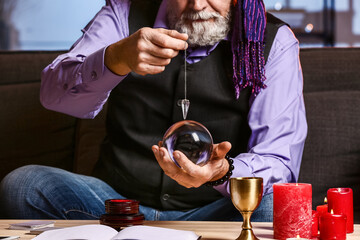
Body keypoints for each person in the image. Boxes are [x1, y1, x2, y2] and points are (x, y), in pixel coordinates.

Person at [0, 0, 307, 221]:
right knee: (23, 186)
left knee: (273, 203)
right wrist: (116, 58)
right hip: (117, 204)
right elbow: (54, 97)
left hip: (215, 209)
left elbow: (278, 160)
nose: (198, 5)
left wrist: (222, 173)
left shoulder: (272, 41)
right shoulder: (123, 14)